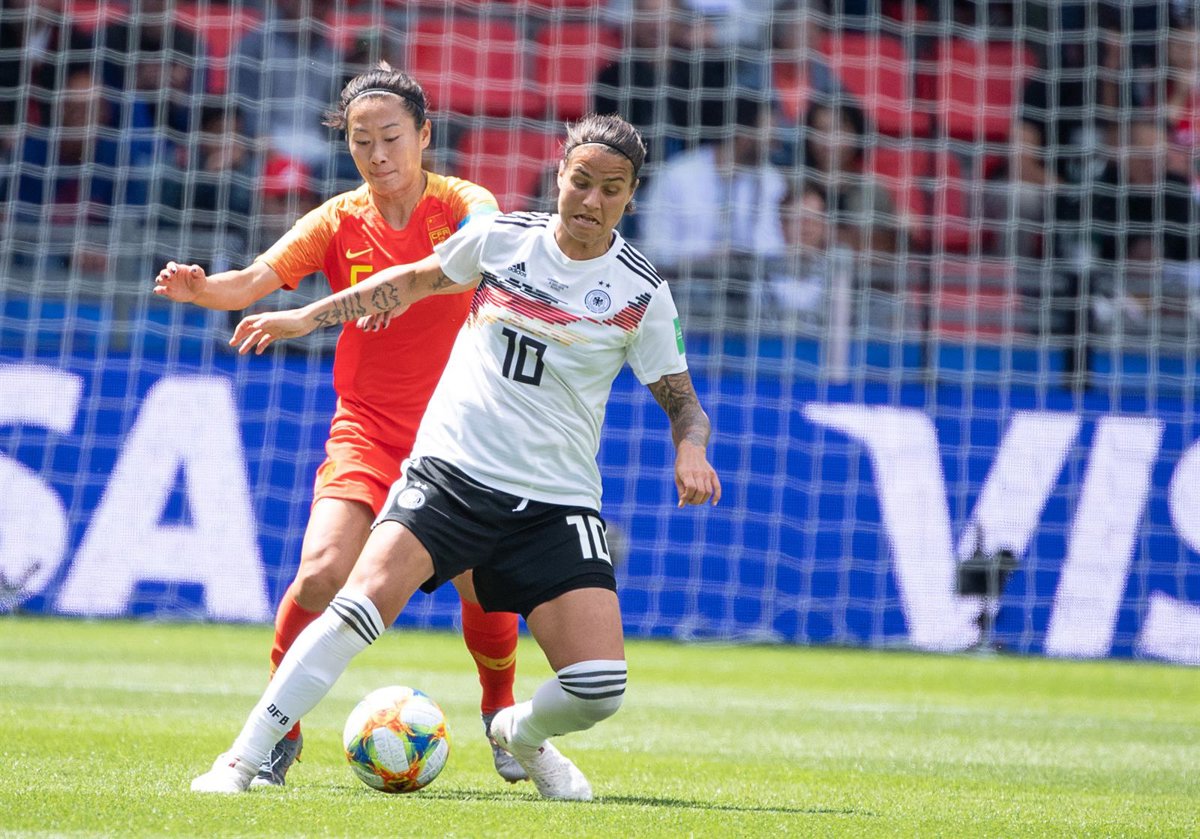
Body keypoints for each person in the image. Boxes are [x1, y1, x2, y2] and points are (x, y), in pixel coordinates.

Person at [189, 113, 721, 800]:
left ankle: (518, 732)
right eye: (581, 181)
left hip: (556, 501)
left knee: (599, 687)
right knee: (355, 608)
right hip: (453, 474)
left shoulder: (641, 292)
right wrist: (304, 317)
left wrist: (690, 448)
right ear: (560, 176)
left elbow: (684, 402)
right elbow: (407, 281)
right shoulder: (503, 240)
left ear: (631, 196)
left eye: (610, 189)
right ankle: (240, 760)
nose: (591, 201)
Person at [152, 63, 525, 788]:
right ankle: (277, 730)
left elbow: (480, 248)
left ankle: (500, 712)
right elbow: (250, 282)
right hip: (368, 429)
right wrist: (202, 291)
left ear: (424, 135)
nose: (377, 154)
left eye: (391, 137)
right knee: (321, 573)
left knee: (483, 586)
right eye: (361, 141)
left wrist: (388, 291)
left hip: (460, 436)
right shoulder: (335, 220)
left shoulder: (463, 202)